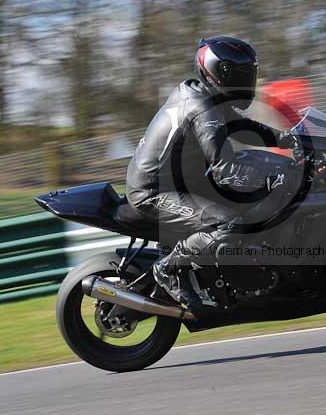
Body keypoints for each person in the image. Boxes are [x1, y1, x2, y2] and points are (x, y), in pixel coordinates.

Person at [125, 36, 297, 311]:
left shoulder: (204, 96)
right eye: (242, 76)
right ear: (219, 73)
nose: (247, 83)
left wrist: (288, 139)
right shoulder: (201, 108)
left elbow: (240, 126)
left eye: (249, 75)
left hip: (185, 181)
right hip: (155, 193)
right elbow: (224, 170)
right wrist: (273, 179)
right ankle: (168, 269)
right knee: (227, 223)